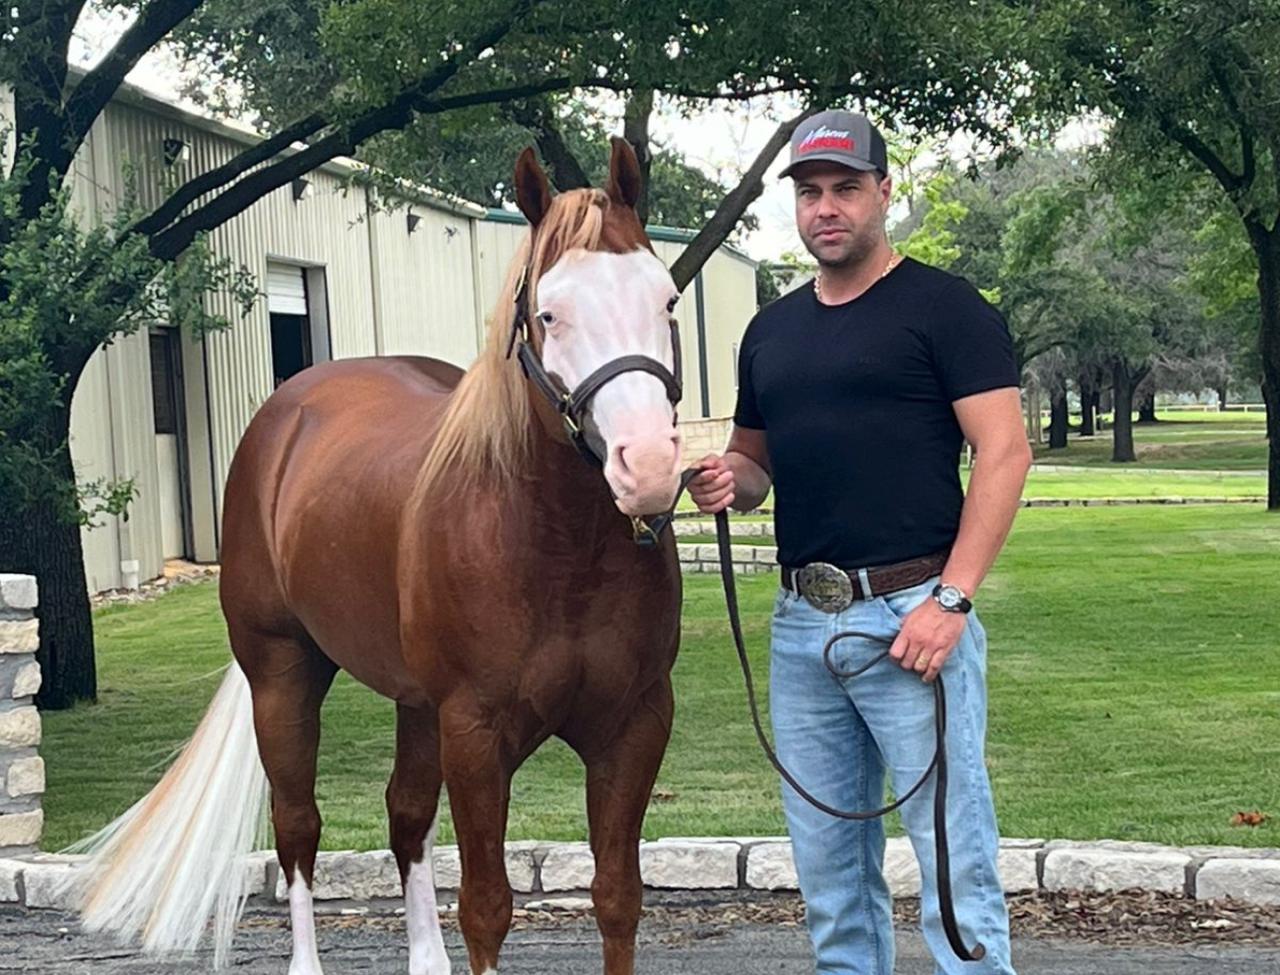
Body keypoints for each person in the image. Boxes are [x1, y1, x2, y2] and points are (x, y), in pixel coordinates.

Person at [689, 109, 1032, 975]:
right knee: (830, 877)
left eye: (845, 188)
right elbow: (756, 465)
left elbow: (1005, 451)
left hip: (915, 616)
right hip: (804, 625)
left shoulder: (946, 309)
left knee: (952, 864)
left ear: (884, 191)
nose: (826, 208)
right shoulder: (771, 330)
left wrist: (952, 600)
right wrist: (729, 480)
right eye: (809, 194)